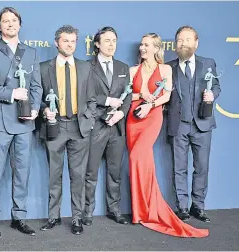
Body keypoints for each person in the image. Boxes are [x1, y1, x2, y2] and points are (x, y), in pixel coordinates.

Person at [126, 32, 208, 237]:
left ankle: (150, 209)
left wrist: (150, 104)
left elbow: (167, 95)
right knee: (136, 161)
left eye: (146, 45)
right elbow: (128, 94)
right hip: (133, 119)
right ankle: (139, 212)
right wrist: (140, 96)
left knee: (139, 156)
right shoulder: (132, 70)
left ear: (156, 48)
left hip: (152, 116)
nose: (142, 48)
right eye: (141, 45)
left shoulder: (165, 69)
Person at [0, 7, 42, 240]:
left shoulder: (32, 52)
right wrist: (11, 93)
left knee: (22, 171)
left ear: (20, 24)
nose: (10, 24)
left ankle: (19, 216)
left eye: (14, 20)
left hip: (25, 121)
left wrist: (35, 108)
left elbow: (37, 86)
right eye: (6, 21)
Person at [38, 25, 95, 235]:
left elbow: (92, 98)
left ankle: (77, 218)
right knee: (54, 175)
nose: (69, 45)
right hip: (55, 126)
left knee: (78, 175)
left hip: (79, 127)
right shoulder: (44, 67)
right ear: (56, 42)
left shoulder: (86, 67)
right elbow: (38, 98)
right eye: (65, 41)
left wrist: (88, 120)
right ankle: (53, 217)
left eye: (73, 41)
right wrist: (45, 112)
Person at [166, 26, 221, 223]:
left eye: (188, 40)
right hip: (178, 125)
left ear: (196, 43)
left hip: (202, 125)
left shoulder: (208, 63)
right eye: (180, 40)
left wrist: (212, 94)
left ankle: (198, 206)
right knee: (178, 168)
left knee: (202, 167)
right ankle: (182, 207)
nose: (183, 43)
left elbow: (216, 85)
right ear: (175, 44)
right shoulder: (168, 67)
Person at [83, 27, 131, 226]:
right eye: (107, 41)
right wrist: (107, 101)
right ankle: (87, 212)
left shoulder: (123, 67)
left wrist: (121, 112)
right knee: (91, 172)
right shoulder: (87, 67)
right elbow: (85, 95)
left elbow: (128, 94)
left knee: (115, 172)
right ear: (97, 44)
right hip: (96, 125)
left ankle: (114, 210)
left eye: (114, 41)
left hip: (117, 128)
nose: (111, 45)